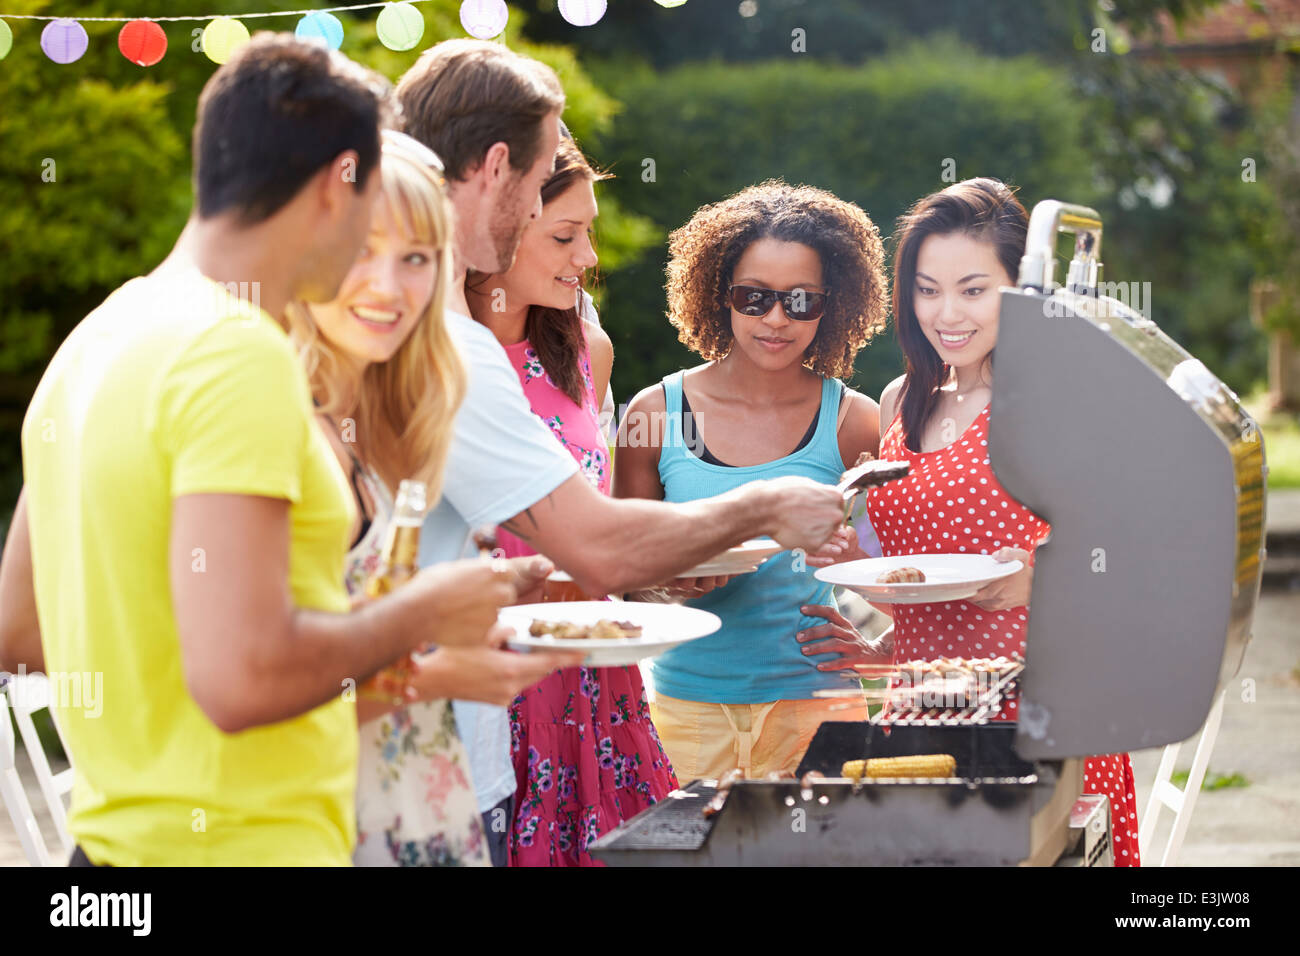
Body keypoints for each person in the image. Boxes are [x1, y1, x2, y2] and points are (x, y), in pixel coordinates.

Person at [0, 35, 513, 867]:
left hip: (109, 860)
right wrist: (427, 609)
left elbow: (22, 629)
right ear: (333, 185)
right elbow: (246, 679)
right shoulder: (238, 353)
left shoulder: (98, 335)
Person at [396, 40, 845, 864]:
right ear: (500, 175)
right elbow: (592, 534)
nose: (587, 258)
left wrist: (654, 572)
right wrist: (765, 504)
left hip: (547, 699)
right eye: (549, 214)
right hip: (456, 717)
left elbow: (589, 538)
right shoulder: (436, 346)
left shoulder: (559, 346)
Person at [288, 130, 582, 866]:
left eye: (418, 258)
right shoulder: (267, 410)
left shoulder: (378, 405)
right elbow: (244, 690)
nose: (391, 286)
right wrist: (436, 655)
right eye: (362, 249)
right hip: (326, 821)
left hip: (424, 796)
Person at [857, 177, 1140, 864]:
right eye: (927, 289)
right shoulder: (902, 399)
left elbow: (1134, 550)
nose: (946, 312)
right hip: (923, 707)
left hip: (1041, 715)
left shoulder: (1053, 401)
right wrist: (843, 557)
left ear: (1022, 289)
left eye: (973, 289)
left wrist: (1040, 576)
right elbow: (905, 578)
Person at [613, 180, 891, 780]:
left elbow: (899, 570)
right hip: (684, 711)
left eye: (800, 301)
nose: (775, 319)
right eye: (753, 297)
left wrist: (874, 635)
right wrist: (670, 585)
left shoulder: (855, 422)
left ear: (832, 304)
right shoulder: (654, 414)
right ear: (720, 295)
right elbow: (621, 573)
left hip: (817, 708)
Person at [466, 136, 678, 865]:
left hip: (595, 680)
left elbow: (596, 520)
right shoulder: (429, 360)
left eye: (587, 233)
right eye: (565, 235)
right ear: (496, 224)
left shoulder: (591, 350)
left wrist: (663, 571)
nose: (587, 257)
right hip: (487, 683)